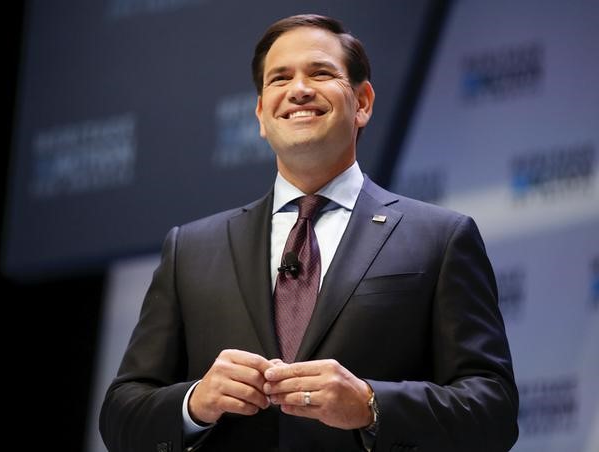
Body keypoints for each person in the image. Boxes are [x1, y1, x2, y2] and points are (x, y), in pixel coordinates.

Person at [100, 14, 518, 452]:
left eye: (320, 72)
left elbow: (494, 411)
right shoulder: (191, 249)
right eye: (280, 78)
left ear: (363, 102)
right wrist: (193, 404)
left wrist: (372, 406)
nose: (298, 89)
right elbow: (121, 416)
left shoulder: (440, 238)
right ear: (262, 113)